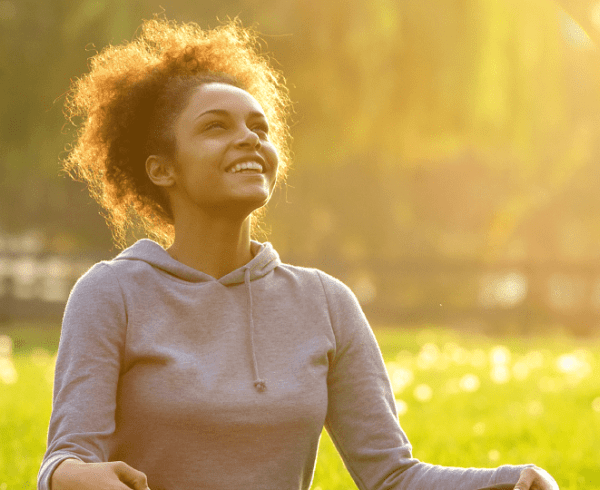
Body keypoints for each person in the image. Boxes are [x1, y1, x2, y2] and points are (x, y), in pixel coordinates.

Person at [38, 16, 559, 490]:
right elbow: (63, 461)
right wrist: (76, 478)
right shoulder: (113, 293)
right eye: (216, 126)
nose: (248, 139)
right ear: (162, 170)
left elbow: (392, 476)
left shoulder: (325, 302)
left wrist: (512, 481)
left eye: (259, 128)